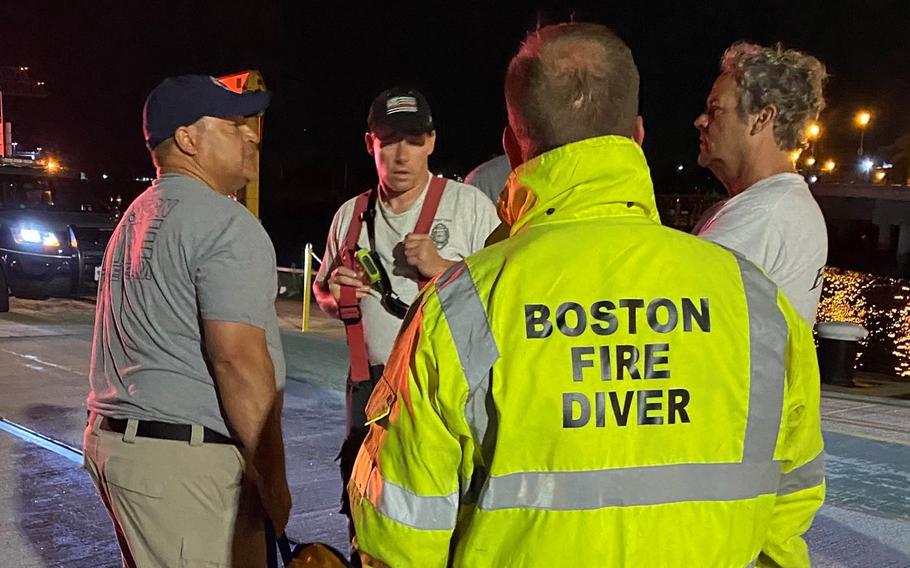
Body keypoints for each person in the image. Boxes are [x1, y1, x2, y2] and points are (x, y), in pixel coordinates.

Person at [349, 23, 824, 567]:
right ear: (638, 136)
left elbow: (401, 540)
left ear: (511, 146)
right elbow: (789, 509)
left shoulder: (461, 308)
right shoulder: (759, 303)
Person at [84, 75, 289, 567]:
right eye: (235, 124)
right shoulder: (226, 224)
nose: (253, 135)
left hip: (124, 447)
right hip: (184, 464)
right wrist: (275, 482)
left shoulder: (138, 215)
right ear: (187, 138)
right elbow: (238, 360)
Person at [313, 87, 498, 541]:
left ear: (432, 143)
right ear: (369, 143)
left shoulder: (468, 207)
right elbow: (323, 290)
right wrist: (334, 297)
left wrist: (443, 269)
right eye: (389, 139)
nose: (401, 155)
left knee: (448, 532)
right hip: (370, 400)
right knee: (372, 530)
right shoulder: (349, 215)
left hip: (446, 401)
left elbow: (504, 297)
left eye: (414, 140)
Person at [693, 42, 829, 324]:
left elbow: (667, 305)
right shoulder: (777, 205)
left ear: (761, 118)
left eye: (715, 110)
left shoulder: (764, 214)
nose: (700, 121)